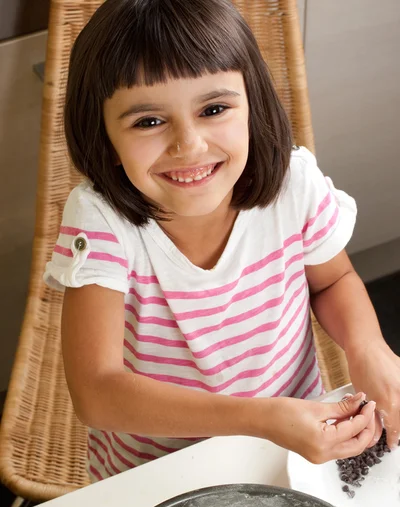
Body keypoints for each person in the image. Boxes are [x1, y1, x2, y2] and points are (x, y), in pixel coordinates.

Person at [44, 0, 399, 482]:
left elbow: (332, 279)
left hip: (296, 442)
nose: (188, 144)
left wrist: (368, 347)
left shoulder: (294, 185)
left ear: (253, 103)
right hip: (158, 470)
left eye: (213, 109)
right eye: (148, 121)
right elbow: (97, 392)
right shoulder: (102, 221)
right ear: (103, 136)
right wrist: (259, 418)